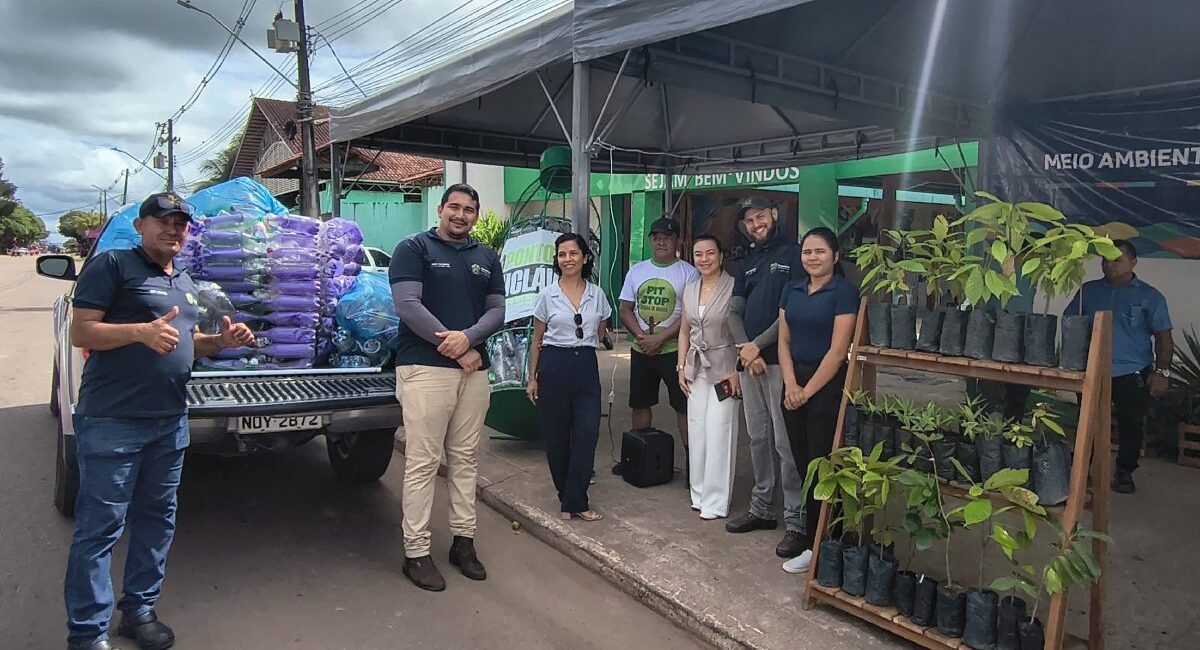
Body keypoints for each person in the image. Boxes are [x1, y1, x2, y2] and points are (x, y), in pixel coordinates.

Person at [65, 192, 256, 650]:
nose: (174, 228)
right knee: (101, 527)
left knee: (157, 519)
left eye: (181, 223)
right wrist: (139, 332)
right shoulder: (113, 266)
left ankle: (139, 610)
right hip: (113, 418)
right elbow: (82, 331)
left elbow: (186, 343)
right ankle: (87, 634)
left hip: (169, 421)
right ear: (141, 225)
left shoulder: (186, 282)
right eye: (164, 220)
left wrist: (222, 342)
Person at [389, 183, 506, 591]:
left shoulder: (487, 256)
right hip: (425, 370)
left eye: (469, 209)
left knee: (466, 460)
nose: (461, 215)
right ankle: (416, 551)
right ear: (440, 209)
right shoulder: (414, 248)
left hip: (473, 372)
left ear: (476, 215)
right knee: (423, 462)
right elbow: (407, 305)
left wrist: (469, 338)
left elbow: (497, 310)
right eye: (454, 207)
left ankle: (463, 542)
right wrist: (455, 347)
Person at [725, 196, 809, 560]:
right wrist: (746, 350)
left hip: (779, 362)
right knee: (758, 438)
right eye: (749, 221)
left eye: (760, 216)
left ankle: (796, 520)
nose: (755, 224)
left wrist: (756, 347)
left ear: (774, 215)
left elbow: (789, 312)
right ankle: (762, 509)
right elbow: (733, 312)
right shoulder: (747, 261)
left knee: (784, 444)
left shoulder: (794, 255)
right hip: (751, 363)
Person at [777, 227, 859, 575]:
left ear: (835, 256)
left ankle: (824, 545)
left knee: (822, 466)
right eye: (807, 252)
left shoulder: (845, 292)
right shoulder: (792, 289)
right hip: (794, 382)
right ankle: (816, 542)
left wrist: (806, 392)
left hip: (825, 385)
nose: (812, 257)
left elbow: (838, 352)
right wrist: (791, 384)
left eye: (820, 251)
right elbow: (783, 341)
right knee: (802, 465)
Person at [1064, 239, 1172, 494]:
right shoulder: (1087, 292)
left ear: (1133, 263)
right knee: (1085, 423)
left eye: (1116, 260)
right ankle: (1081, 472)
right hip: (1091, 371)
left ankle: (1124, 473)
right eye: (1105, 259)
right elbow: (1071, 326)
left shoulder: (1150, 296)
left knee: (1131, 425)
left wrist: (1162, 373)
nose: (1109, 265)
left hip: (1132, 372)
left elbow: (1164, 338)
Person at [526, 233, 612, 521]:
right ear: (557, 259)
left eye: (573, 253)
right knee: (557, 436)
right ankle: (570, 498)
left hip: (585, 364)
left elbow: (601, 329)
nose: (567, 259)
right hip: (553, 363)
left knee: (587, 433)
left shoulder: (597, 294)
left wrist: (586, 344)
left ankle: (575, 500)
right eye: (562, 254)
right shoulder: (546, 296)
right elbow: (537, 339)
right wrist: (532, 378)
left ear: (585, 257)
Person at [614, 217, 699, 474]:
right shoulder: (637, 271)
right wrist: (642, 336)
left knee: (683, 408)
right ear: (651, 240)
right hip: (642, 350)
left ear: (677, 241)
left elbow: (689, 314)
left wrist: (660, 339)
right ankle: (639, 456)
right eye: (657, 237)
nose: (662, 241)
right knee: (640, 404)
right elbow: (625, 308)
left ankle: (692, 465)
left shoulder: (689, 272)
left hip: (674, 351)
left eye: (668, 237)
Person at [677, 235, 740, 519]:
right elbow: (683, 331)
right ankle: (698, 493)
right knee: (697, 427)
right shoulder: (689, 289)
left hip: (724, 366)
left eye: (710, 253)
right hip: (695, 366)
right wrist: (681, 367)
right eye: (698, 254)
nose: (704, 259)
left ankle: (716, 501)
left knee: (720, 430)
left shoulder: (733, 287)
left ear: (721, 256)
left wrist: (738, 369)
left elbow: (740, 328)